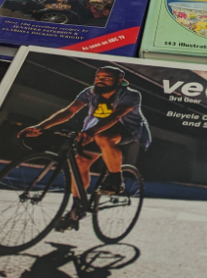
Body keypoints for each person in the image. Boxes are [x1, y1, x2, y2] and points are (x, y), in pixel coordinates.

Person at [18, 65, 151, 232]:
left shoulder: (131, 94)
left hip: (128, 129)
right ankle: (77, 207)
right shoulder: (90, 92)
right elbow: (69, 111)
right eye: (98, 78)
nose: (100, 81)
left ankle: (116, 180)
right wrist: (40, 127)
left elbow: (117, 115)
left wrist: (92, 131)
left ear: (120, 81)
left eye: (107, 78)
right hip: (96, 129)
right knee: (80, 162)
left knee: (104, 137)